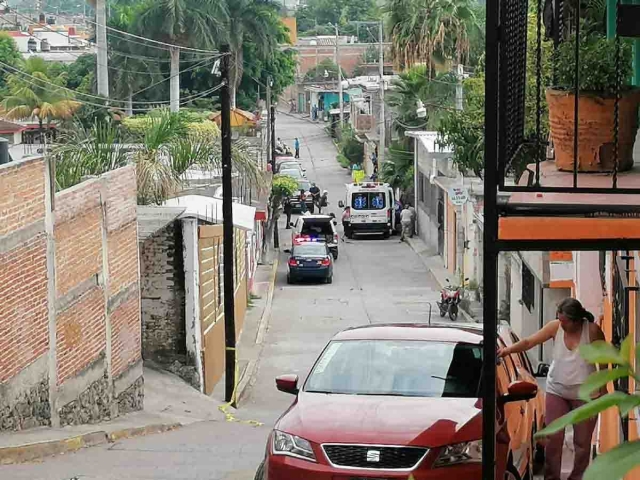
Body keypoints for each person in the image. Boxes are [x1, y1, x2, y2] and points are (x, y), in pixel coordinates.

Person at [498, 298, 606, 480]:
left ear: (575, 320)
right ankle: (551, 477)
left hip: (586, 394)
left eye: (564, 321)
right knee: (553, 439)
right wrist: (507, 351)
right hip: (557, 390)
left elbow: (603, 362)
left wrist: (603, 390)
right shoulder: (555, 327)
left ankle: (577, 477)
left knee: (582, 443)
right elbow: (528, 342)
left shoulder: (592, 331)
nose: (560, 323)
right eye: (559, 319)